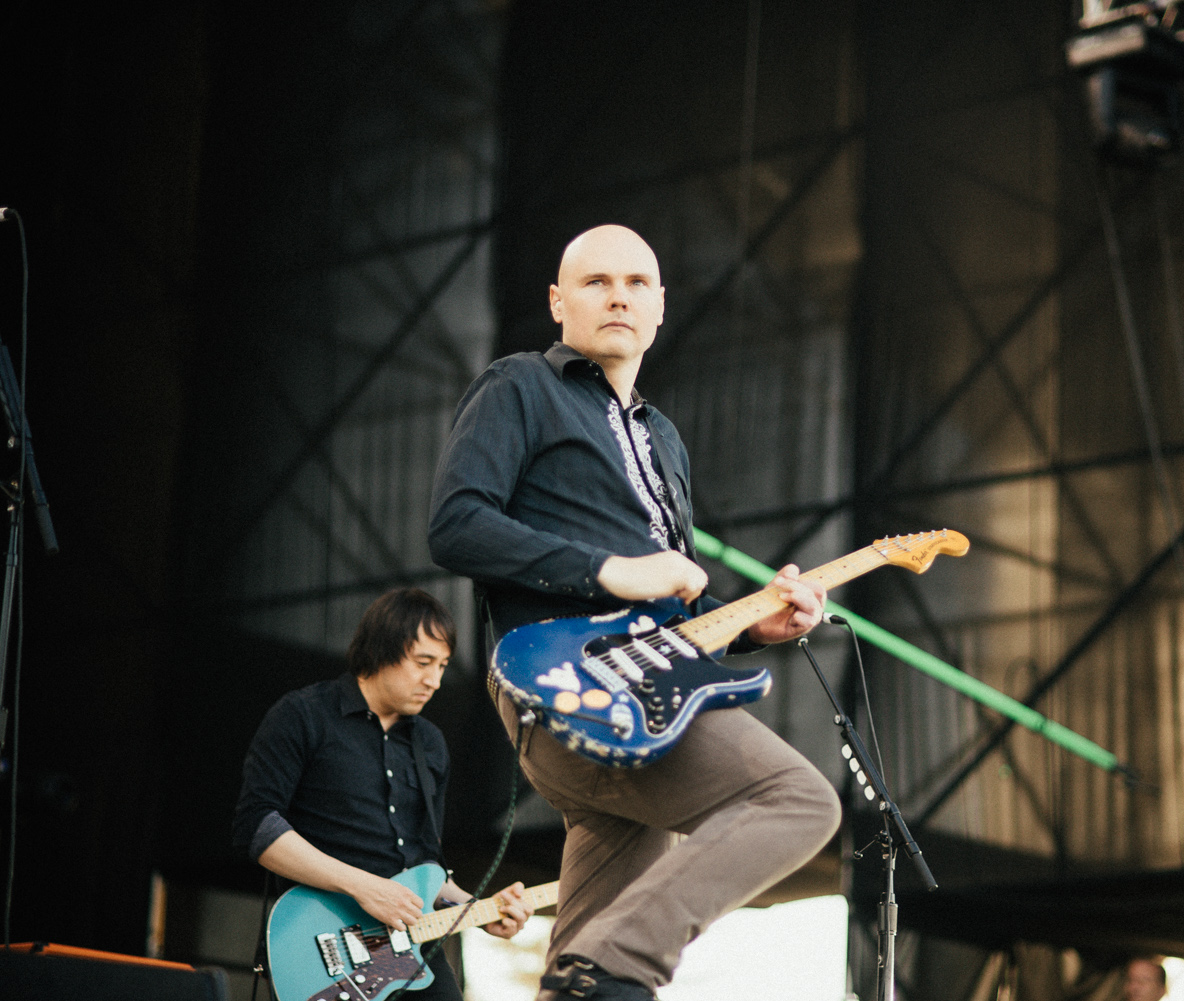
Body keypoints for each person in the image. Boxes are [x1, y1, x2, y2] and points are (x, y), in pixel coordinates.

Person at [428, 224, 841, 1000]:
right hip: (568, 683)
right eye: (596, 282)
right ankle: (623, 963)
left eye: (636, 283)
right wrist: (607, 569)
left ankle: (593, 970)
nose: (618, 296)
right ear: (558, 302)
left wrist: (753, 625)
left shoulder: (664, 440)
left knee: (580, 970)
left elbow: (669, 608)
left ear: (659, 309)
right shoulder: (520, 385)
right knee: (797, 798)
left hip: (646, 691)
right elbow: (456, 524)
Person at [232, 588, 535, 1000]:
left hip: (409, 948)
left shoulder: (430, 744)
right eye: (423, 663)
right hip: (326, 943)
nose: (434, 681)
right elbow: (257, 827)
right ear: (380, 650)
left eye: (442, 666)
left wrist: (480, 910)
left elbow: (427, 867)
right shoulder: (303, 714)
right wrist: (364, 887)